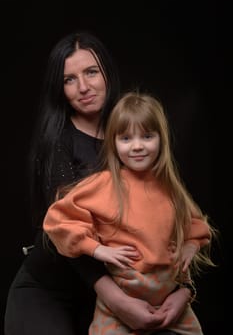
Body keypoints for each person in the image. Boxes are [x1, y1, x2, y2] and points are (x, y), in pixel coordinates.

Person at [4, 32, 192, 335]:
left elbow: (171, 223)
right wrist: (117, 300)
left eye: (91, 72)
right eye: (69, 79)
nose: (83, 87)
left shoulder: (136, 134)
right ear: (59, 88)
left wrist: (183, 291)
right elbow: (63, 231)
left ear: (107, 71)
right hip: (53, 290)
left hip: (112, 296)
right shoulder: (58, 143)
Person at [43, 91, 216, 335]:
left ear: (161, 139)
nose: (137, 146)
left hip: (170, 301)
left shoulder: (170, 187)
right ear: (113, 142)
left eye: (147, 136)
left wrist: (190, 246)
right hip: (121, 304)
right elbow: (58, 220)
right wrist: (97, 249)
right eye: (125, 138)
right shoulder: (104, 184)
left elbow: (197, 225)